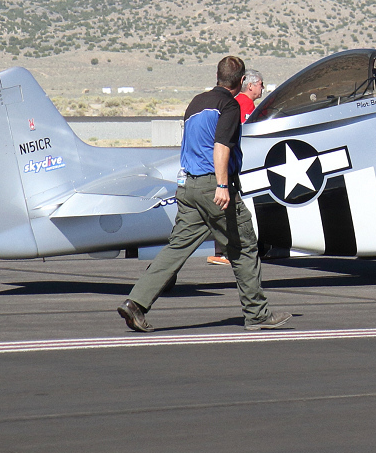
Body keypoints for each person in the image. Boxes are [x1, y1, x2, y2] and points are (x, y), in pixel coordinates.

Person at [119, 56, 290, 332]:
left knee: (177, 248)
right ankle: (257, 314)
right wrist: (223, 185)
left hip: (188, 187)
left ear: (218, 76)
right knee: (244, 247)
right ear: (241, 81)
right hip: (214, 188)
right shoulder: (229, 106)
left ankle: (136, 303)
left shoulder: (196, 103)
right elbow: (221, 147)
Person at [208, 68, 265, 266]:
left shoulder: (239, 103)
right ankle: (228, 251)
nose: (262, 88)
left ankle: (223, 250)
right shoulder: (244, 105)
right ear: (250, 85)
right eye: (260, 84)